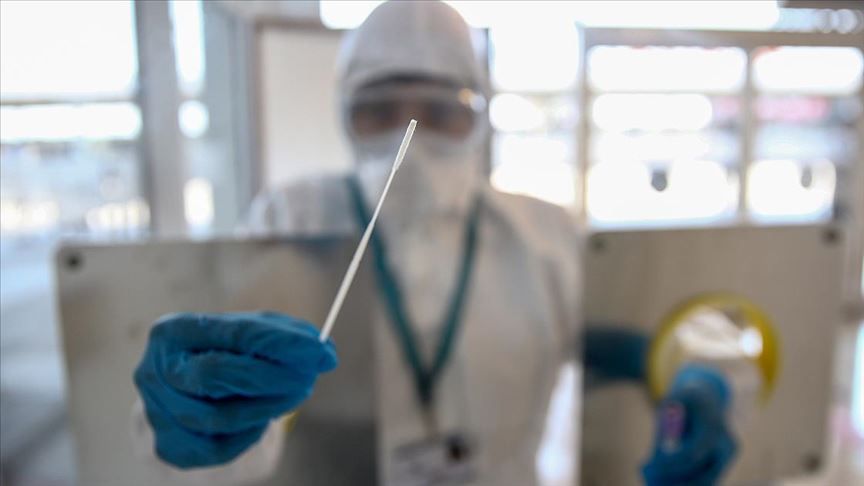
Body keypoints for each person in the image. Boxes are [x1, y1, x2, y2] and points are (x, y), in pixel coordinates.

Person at [132, 1, 734, 485]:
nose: (409, 138)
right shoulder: (292, 219)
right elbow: (228, 386)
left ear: (478, 118)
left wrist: (691, 370)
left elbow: (631, 335)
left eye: (441, 111)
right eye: (380, 110)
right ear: (345, 115)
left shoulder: (543, 237)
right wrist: (190, 415)